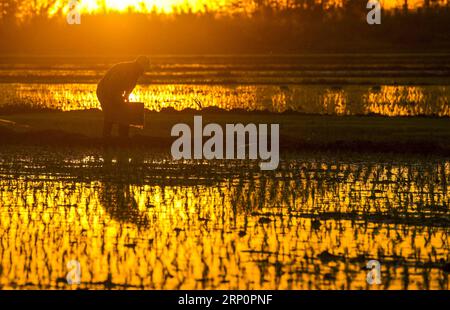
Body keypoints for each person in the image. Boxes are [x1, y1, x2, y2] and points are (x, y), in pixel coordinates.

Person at [96, 56, 150, 139]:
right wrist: (116, 97)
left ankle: (123, 136)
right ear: (141, 64)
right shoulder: (128, 70)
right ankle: (106, 137)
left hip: (115, 91)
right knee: (110, 113)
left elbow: (130, 86)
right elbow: (112, 83)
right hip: (104, 90)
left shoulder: (136, 71)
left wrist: (126, 96)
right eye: (146, 66)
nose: (146, 69)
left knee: (124, 111)